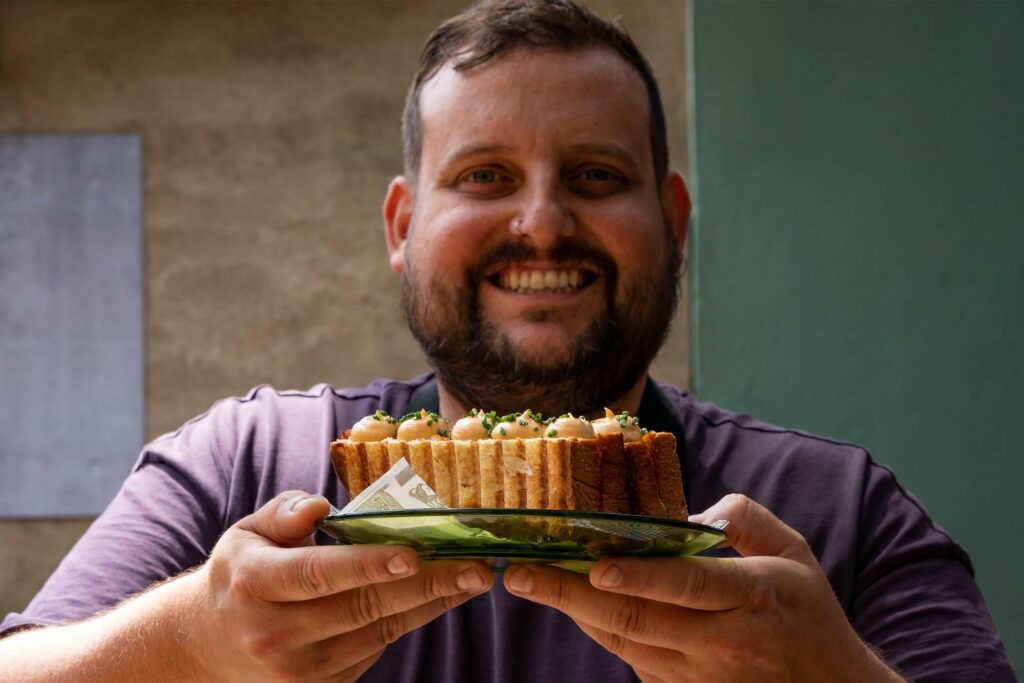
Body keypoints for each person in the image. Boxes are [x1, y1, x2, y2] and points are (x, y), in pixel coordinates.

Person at [0, 1, 1015, 681]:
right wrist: (195, 639)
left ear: (673, 217)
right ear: (402, 226)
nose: (540, 223)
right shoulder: (249, 465)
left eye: (595, 176)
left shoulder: (836, 515)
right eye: (484, 175)